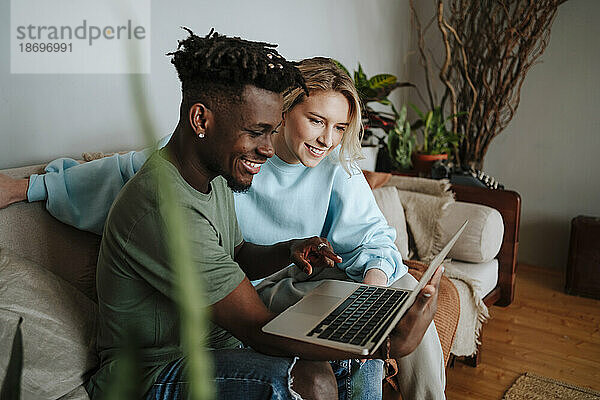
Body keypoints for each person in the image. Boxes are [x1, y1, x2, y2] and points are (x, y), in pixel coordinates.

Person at [0, 33, 445, 399]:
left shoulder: (214, 175)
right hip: (151, 372)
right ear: (201, 120)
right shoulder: (163, 204)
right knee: (314, 379)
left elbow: (238, 252)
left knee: (344, 359)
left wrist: (289, 251)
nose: (268, 150)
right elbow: (256, 326)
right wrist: (380, 344)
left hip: (216, 341)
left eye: (270, 132)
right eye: (257, 132)